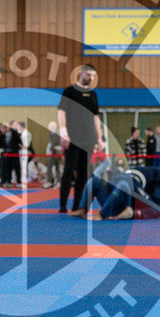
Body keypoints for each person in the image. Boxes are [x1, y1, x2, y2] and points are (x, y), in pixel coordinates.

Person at [57, 65, 104, 213]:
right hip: (73, 138)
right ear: (81, 73)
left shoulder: (93, 94)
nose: (91, 79)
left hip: (89, 140)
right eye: (89, 75)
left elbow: (96, 117)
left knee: (84, 174)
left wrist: (100, 138)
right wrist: (64, 133)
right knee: (68, 171)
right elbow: (61, 113)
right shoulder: (69, 91)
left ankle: (78, 206)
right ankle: (63, 206)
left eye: (93, 76)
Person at [70, 165, 160, 221]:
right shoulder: (147, 179)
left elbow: (158, 207)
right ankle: (83, 209)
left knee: (123, 185)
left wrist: (134, 213)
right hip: (115, 198)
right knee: (94, 181)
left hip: (119, 200)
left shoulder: (155, 185)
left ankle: (102, 215)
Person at [1, 120, 22, 186]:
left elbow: (20, 142)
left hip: (13, 152)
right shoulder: (5, 133)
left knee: (15, 168)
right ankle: (10, 181)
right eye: (15, 124)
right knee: (9, 168)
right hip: (9, 152)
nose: (16, 126)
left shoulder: (15, 132)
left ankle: (16, 182)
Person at [44, 121, 62, 188]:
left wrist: (51, 151)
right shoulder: (58, 133)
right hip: (59, 153)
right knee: (58, 168)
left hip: (54, 153)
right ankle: (58, 182)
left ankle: (49, 182)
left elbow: (53, 143)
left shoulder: (53, 134)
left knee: (49, 167)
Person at [18, 120, 32, 187]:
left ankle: (24, 181)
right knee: (22, 166)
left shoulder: (26, 133)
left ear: (21, 126)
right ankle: (22, 180)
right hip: (22, 151)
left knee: (24, 167)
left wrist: (19, 147)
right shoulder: (22, 133)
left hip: (24, 151)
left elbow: (26, 145)